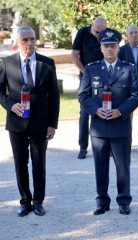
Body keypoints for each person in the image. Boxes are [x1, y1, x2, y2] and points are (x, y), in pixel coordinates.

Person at [78, 28, 138, 215]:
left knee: (122, 166)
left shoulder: (129, 68)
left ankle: (124, 200)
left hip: (120, 126)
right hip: (99, 127)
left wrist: (120, 111)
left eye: (113, 46)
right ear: (101, 47)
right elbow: (83, 95)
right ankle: (102, 201)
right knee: (100, 166)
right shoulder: (92, 68)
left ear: (118, 48)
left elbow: (136, 95)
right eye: (106, 46)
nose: (109, 50)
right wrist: (95, 110)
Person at [0, 26, 60, 217]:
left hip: (40, 123)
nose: (29, 43)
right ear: (17, 42)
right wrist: (11, 105)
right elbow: (1, 92)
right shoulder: (6, 63)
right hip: (16, 123)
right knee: (20, 163)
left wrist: (52, 124)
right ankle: (25, 201)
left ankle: (39, 201)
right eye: (25, 40)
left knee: (39, 163)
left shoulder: (47, 63)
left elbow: (54, 96)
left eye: (32, 39)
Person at [71, 17, 107, 159]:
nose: (99, 35)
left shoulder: (107, 34)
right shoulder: (82, 33)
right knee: (85, 113)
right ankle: (83, 147)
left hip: (104, 79)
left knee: (105, 110)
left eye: (101, 32)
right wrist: (86, 73)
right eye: (96, 32)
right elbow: (74, 56)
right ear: (91, 26)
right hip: (86, 79)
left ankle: (105, 146)